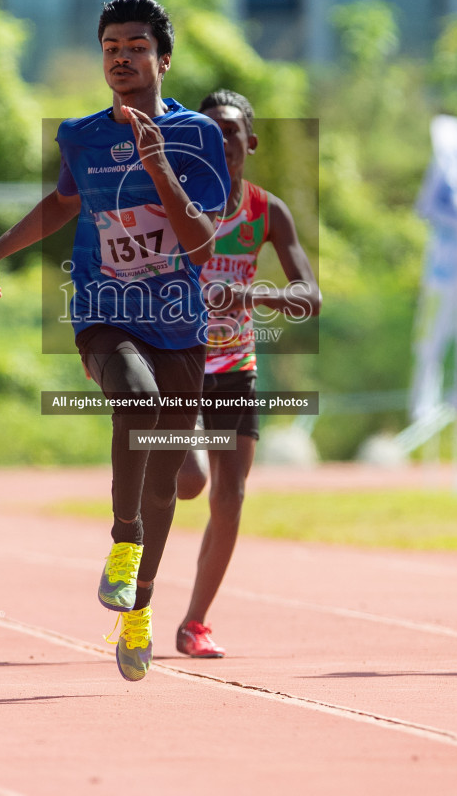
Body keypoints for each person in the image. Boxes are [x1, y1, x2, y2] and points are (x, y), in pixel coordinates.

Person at [0, 0, 228, 681]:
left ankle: (137, 612)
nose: (121, 57)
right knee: (135, 402)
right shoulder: (80, 136)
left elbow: (202, 246)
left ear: (162, 60)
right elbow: (63, 202)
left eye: (136, 46)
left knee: (169, 483)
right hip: (104, 309)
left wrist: (158, 163)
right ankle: (123, 542)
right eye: (111, 46)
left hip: (180, 322)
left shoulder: (198, 135)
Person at [172, 89, 320, 658]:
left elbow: (310, 296)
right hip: (179, 361)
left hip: (235, 365)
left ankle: (194, 623)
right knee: (190, 482)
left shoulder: (267, 211)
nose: (221, 141)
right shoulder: (176, 206)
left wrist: (250, 294)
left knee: (229, 495)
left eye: (230, 131)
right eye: (208, 131)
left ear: (248, 143)